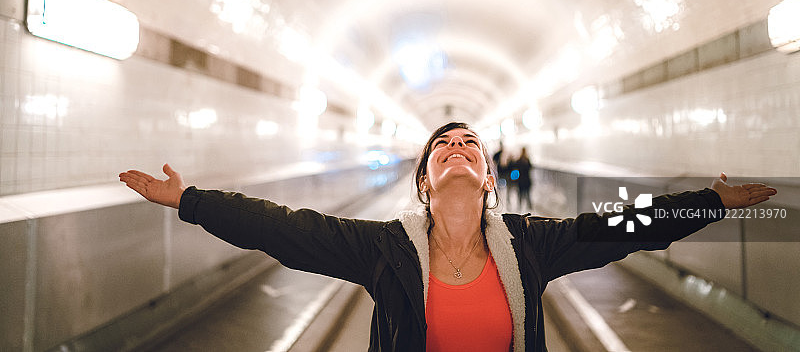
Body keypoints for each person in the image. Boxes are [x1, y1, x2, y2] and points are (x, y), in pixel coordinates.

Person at [119, 121, 777, 352]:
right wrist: (191, 200)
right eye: (443, 145)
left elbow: (625, 227)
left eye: (470, 144)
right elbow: (283, 230)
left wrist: (709, 202)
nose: (457, 146)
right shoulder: (382, 249)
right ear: (425, 180)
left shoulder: (530, 244)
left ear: (489, 176)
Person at [512, 147, 533, 212]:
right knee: (527, 195)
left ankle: (519, 207)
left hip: (521, 180)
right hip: (527, 180)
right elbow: (531, 167)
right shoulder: (527, 160)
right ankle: (529, 208)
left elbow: (514, 167)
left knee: (520, 195)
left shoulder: (519, 160)